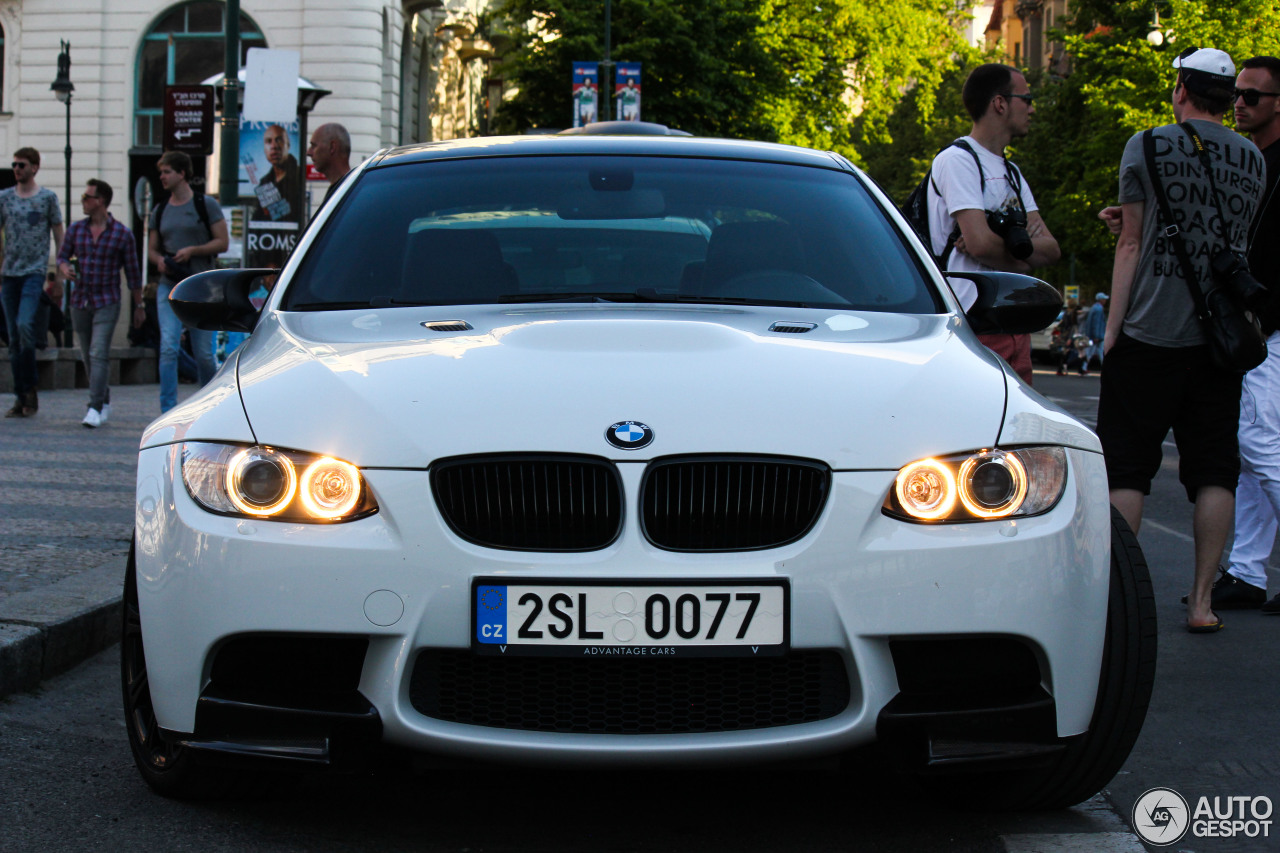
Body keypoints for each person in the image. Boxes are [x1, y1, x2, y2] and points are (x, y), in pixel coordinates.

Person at [1096, 47, 1265, 633]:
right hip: (1218, 340)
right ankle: (1201, 602)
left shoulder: (1146, 144)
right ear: (1227, 97)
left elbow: (1132, 245)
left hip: (1149, 329)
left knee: (1127, 468)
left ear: (1181, 90)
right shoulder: (1254, 160)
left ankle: (1116, 600)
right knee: (1216, 470)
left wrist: (1112, 331)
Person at [926, 63, 1061, 385]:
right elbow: (979, 244)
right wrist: (1021, 248)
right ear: (1000, 103)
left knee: (1017, 427)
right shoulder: (958, 160)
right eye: (1026, 98)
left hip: (1013, 321)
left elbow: (1052, 249)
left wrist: (993, 240)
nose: (1032, 107)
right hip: (973, 321)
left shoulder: (1011, 172)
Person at [1204, 55, 1280, 614]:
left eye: (1252, 96)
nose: (1239, 103)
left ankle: (1248, 571)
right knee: (1251, 452)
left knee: (1260, 444)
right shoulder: (1253, 160)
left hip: (1270, 325)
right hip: (1257, 323)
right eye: (1237, 94)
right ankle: (1248, 572)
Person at [56, 179, 143, 428]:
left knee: (98, 352)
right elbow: (62, 256)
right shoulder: (76, 230)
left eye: (87, 197)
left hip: (107, 300)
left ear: (101, 201)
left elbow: (133, 274)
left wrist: (139, 306)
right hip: (79, 300)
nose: (83, 201)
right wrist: (63, 267)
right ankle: (104, 400)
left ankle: (93, 407)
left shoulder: (122, 234)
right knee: (87, 355)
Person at [148, 151, 229, 413]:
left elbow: (222, 242)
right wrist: (159, 260)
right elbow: (151, 248)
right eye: (161, 172)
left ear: (182, 173)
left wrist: (193, 250)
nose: (162, 176)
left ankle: (208, 405)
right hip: (168, 285)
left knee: (204, 354)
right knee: (169, 347)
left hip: (201, 287)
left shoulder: (205, 205)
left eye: (167, 171)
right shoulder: (159, 210)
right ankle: (168, 409)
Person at [0, 147, 64, 418]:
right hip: (9, 274)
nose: (17, 169)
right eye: (15, 164)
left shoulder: (47, 198)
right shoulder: (4, 198)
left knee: (25, 325)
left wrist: (60, 272)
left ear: (35, 168)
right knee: (13, 338)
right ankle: (22, 394)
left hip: (34, 272)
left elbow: (61, 235)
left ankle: (30, 386)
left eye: (22, 165)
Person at [252, 124, 300, 223]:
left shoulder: (299, 176)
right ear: (264, 149)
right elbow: (257, 218)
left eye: (279, 140)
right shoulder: (265, 182)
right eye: (269, 141)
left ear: (288, 145)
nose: (274, 146)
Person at [306, 122, 352, 206]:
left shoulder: (349, 194)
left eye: (314, 146)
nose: (308, 152)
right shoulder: (350, 189)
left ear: (332, 147)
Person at [1082, 291, 1108, 372]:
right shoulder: (1099, 309)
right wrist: (1096, 336)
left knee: (1092, 351)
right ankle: (1084, 367)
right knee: (1097, 352)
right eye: (1104, 299)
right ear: (1101, 300)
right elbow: (1097, 323)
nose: (1105, 301)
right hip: (1098, 335)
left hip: (1093, 334)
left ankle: (1084, 367)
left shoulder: (1094, 307)